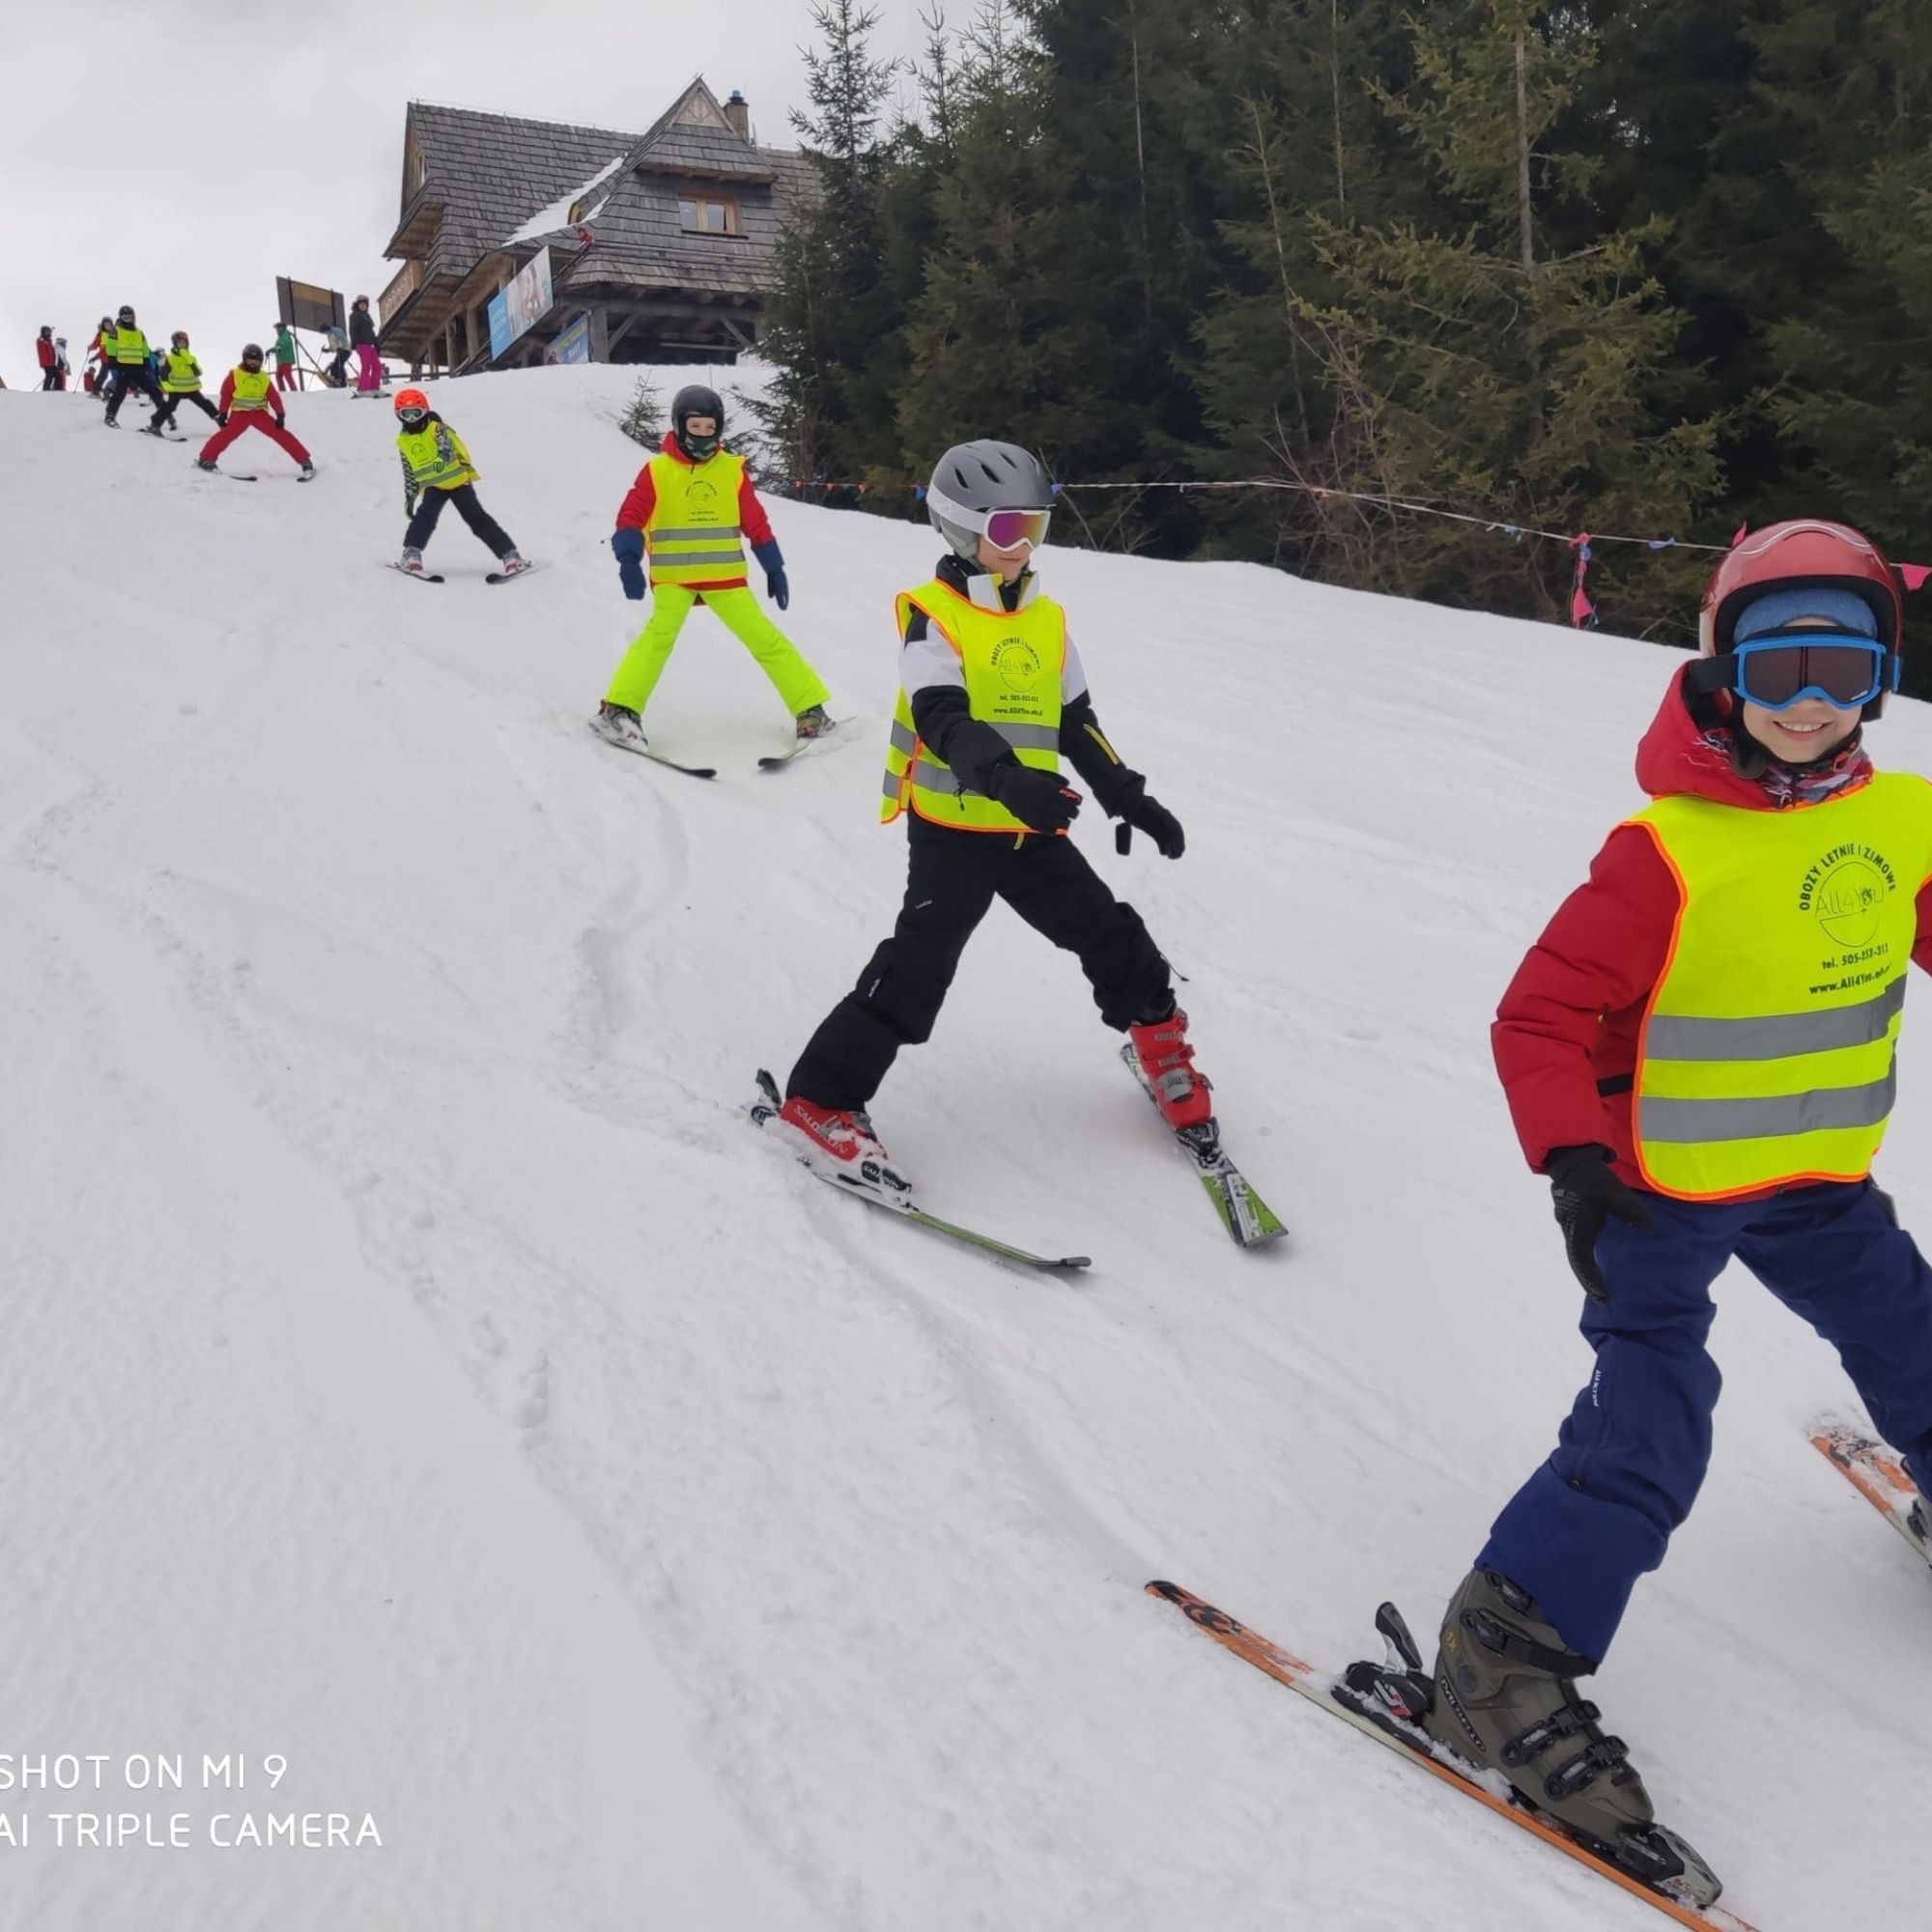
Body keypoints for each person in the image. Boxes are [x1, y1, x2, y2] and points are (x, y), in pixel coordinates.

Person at [1413, 519, 1932, 1886]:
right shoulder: (1667, 854)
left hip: (1816, 1177)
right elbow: (1535, 1017)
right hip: (1656, 1191)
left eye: (1845, 661)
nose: (1810, 698)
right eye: (1778, 664)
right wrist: (1576, 1164)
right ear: (1720, 669)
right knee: (1653, 1415)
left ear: (1884, 673)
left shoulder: (1907, 818)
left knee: (1912, 1330)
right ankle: (1502, 1654)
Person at [769, 438, 1203, 1193]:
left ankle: (1161, 1043)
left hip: (1029, 825)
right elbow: (943, 719)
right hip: (954, 829)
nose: (1025, 545)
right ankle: (820, 1101)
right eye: (1008, 530)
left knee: (1107, 930)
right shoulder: (932, 616)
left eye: (1036, 526)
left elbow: (1077, 722)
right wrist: (1006, 778)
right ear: (961, 530)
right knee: (919, 965)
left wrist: (1125, 793)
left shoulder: (1047, 620)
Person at [592, 384, 830, 752]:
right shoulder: (658, 471)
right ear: (679, 425)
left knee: (764, 639)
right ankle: (619, 709)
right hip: (675, 580)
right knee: (658, 638)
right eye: (695, 427)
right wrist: (628, 559)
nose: (703, 436)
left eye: (709, 428)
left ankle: (810, 709)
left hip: (725, 578)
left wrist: (774, 566)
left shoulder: (731, 471)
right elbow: (631, 515)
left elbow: (756, 523)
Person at [392, 387, 528, 576]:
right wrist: (410, 496)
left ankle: (510, 555)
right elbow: (409, 471)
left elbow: (445, 447)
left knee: (477, 518)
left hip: (458, 482)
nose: (413, 418)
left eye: (417, 412)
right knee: (424, 519)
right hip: (434, 487)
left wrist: (441, 461)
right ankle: (411, 555)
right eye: (407, 414)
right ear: (399, 415)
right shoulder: (403, 441)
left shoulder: (437, 428)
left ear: (425, 411)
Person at [193, 343, 314, 477]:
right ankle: (205, 458)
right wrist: (222, 413)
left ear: (260, 362)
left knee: (280, 433)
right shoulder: (235, 374)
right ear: (244, 359)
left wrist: (280, 414)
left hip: (259, 414)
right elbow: (226, 394)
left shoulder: (263, 377)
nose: (252, 364)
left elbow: (273, 397)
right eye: (250, 361)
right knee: (226, 434)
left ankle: (305, 460)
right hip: (240, 414)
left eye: (255, 362)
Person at [101, 305, 166, 427]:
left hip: (139, 368)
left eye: (131, 317)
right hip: (123, 367)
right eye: (126, 318)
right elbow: (111, 351)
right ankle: (110, 416)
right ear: (121, 318)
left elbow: (145, 351)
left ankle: (164, 416)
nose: (129, 320)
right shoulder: (116, 331)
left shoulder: (139, 333)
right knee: (120, 392)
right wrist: (114, 367)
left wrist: (148, 368)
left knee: (154, 390)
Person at [146, 331, 220, 435]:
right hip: (176, 389)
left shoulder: (191, 358)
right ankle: (155, 425)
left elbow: (198, 372)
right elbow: (163, 374)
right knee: (170, 407)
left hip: (192, 388)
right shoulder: (169, 358)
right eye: (179, 342)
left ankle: (220, 421)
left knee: (204, 403)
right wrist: (168, 387)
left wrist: (187, 358)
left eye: (184, 342)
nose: (182, 344)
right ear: (175, 344)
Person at [349, 296, 385, 397]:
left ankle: (374, 387)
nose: (363, 306)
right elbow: (352, 331)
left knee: (377, 366)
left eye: (364, 305)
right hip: (362, 344)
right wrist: (354, 344)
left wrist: (377, 345)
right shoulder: (355, 315)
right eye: (361, 304)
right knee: (366, 365)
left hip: (370, 345)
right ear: (357, 305)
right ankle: (363, 389)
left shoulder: (367, 316)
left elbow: (371, 333)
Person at [271, 322, 298, 391]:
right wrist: (273, 350)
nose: (276, 331)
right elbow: (279, 346)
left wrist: (275, 348)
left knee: (287, 374)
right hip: (281, 360)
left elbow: (283, 345)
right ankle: (283, 391)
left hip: (286, 359)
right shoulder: (282, 336)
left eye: (277, 329)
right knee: (278, 375)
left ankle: (294, 390)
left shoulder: (285, 336)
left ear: (281, 328)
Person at [324, 321, 351, 388]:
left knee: (338, 364)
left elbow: (342, 339)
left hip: (345, 350)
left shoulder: (336, 331)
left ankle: (342, 381)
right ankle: (335, 379)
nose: (324, 333)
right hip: (340, 351)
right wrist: (327, 350)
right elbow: (333, 346)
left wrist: (341, 347)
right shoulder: (329, 335)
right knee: (334, 365)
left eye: (324, 332)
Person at [36, 326, 59, 390]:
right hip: (46, 362)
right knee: (50, 375)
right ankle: (46, 389)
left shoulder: (47, 341)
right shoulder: (41, 340)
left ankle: (53, 388)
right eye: (48, 332)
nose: (50, 334)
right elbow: (45, 347)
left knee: (55, 374)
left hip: (50, 362)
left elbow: (51, 351)